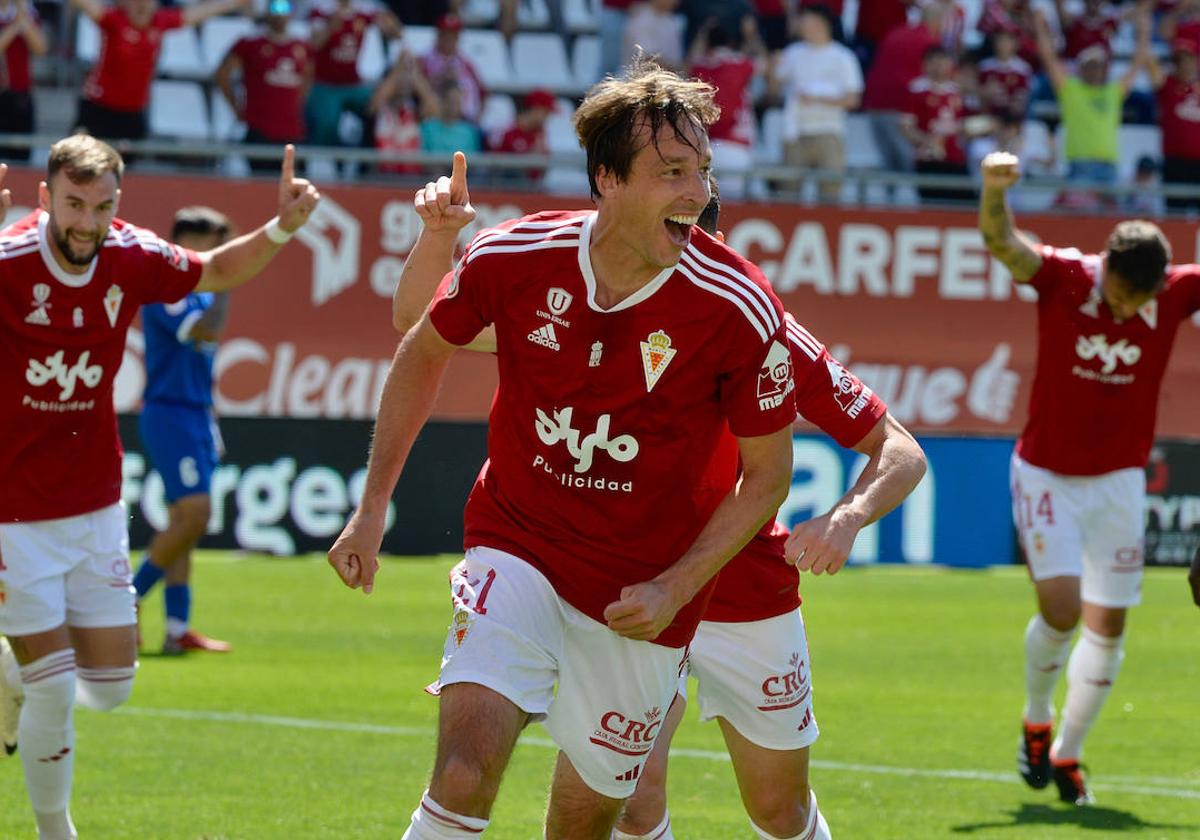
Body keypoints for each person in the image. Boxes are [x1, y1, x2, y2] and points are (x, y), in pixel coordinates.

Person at [328, 61, 798, 839]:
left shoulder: (737, 306)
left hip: (641, 598)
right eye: (672, 172)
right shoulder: (514, 257)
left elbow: (768, 476)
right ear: (608, 179)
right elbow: (420, 345)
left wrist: (676, 588)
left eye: (703, 170)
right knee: (460, 774)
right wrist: (371, 507)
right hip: (519, 544)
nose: (698, 193)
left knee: (581, 824)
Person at [390, 178, 928, 840]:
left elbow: (899, 449)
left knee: (777, 808)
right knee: (631, 794)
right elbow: (425, 322)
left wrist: (847, 516)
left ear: (715, 247)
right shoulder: (590, 307)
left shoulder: (757, 327)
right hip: (624, 577)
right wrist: (440, 237)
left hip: (740, 582)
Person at [0, 134, 319, 840]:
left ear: (119, 202)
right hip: (12, 513)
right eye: (74, 204)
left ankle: (9, 673)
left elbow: (214, 269)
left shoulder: (130, 253)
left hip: (93, 504)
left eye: (102, 206)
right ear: (46, 196)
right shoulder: (11, 260)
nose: (87, 222)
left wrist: (283, 227)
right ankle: (56, 828)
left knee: (110, 689)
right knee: (57, 683)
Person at [977, 150, 1200, 806]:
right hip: (1046, 472)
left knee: (1109, 627)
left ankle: (1069, 752)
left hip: (1119, 483)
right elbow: (1000, 240)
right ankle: (1036, 718)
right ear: (1108, 274)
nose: (1136, 310)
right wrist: (994, 189)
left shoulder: (1173, 292)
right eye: (1129, 297)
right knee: (1063, 608)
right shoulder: (1065, 278)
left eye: (1148, 299)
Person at [130, 207, 237, 656]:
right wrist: (228, 279)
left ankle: (177, 629)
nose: (214, 254)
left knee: (184, 524)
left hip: (193, 413)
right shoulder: (167, 290)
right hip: (169, 412)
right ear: (185, 241)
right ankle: (127, 600)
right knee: (195, 514)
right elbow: (205, 334)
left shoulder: (196, 293)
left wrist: (210, 420)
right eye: (210, 242)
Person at [71, 0, 248, 143]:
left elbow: (194, 15)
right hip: (98, 107)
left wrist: (233, 3)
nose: (143, 6)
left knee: (124, 174)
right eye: (137, 3)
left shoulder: (160, 22)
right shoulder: (113, 20)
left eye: (148, 2)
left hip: (132, 113)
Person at [1033, 7, 1149, 188]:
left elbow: (1138, 62)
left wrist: (1143, 31)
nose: (1096, 70)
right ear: (1081, 68)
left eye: (1100, 66)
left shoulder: (1112, 91)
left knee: (1110, 217)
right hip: (1081, 165)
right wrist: (1040, 26)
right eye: (1091, 65)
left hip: (1108, 166)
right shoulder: (1071, 88)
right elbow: (1048, 58)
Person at [773, 4, 862, 203]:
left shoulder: (843, 57)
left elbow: (853, 99)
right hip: (796, 132)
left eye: (805, 21)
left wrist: (817, 99)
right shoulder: (793, 53)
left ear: (820, 23)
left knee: (830, 193)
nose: (801, 26)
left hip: (829, 132)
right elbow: (774, 89)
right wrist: (771, 66)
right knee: (788, 193)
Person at [215, 0, 313, 173]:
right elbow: (222, 75)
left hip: (293, 131)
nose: (280, 13)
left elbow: (308, 77)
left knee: (293, 191)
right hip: (260, 130)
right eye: (275, 7)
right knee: (262, 188)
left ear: (293, 13)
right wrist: (236, 106)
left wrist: (298, 103)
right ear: (267, 11)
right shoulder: (250, 44)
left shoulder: (302, 47)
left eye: (285, 8)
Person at [305, 0, 403, 148]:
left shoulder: (365, 10)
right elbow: (314, 44)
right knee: (328, 122)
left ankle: (366, 158)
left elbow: (397, 33)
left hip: (353, 83)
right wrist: (331, 27)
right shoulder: (321, 9)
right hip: (326, 83)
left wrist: (387, 19)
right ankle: (321, 157)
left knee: (377, 106)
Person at [901, 45, 974, 204]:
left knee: (967, 205)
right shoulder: (917, 90)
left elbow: (964, 125)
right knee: (933, 205)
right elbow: (906, 127)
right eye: (934, 62)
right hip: (929, 159)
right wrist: (927, 141)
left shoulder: (957, 91)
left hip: (956, 159)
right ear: (925, 64)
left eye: (943, 62)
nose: (939, 66)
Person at [1145, 38, 1200, 213]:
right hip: (1175, 162)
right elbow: (1149, 61)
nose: (1184, 64)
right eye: (1179, 60)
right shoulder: (1167, 85)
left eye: (1188, 59)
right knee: (1175, 214)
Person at [0, 0, 47, 162]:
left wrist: (23, 17)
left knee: (21, 157)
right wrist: (15, 26)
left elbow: (40, 48)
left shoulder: (26, 13)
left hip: (20, 95)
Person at [417, 13, 484, 123]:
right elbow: (418, 90)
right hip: (436, 118)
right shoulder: (424, 60)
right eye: (445, 34)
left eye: (453, 35)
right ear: (438, 35)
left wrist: (477, 118)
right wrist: (442, 77)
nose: (448, 39)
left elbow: (483, 94)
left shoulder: (466, 63)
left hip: (465, 121)